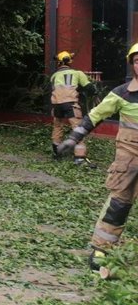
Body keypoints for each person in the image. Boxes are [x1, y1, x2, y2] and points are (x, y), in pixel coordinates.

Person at [57, 42, 138, 272]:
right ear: (132, 65)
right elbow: (94, 116)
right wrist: (73, 138)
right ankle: (101, 249)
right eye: (136, 60)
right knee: (118, 206)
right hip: (128, 159)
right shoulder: (122, 93)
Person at [50, 50, 96, 165]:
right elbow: (89, 87)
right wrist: (94, 94)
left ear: (59, 63)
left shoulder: (54, 76)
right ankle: (79, 158)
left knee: (57, 127)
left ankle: (57, 153)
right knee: (78, 129)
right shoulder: (77, 73)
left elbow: (56, 89)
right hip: (71, 105)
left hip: (57, 105)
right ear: (69, 61)